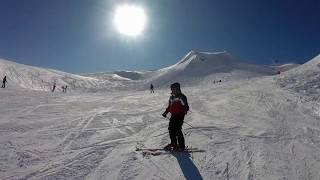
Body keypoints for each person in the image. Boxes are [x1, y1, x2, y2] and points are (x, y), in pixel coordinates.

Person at [162, 82, 189, 151]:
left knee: (177, 129)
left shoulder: (181, 96)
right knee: (171, 129)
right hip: (173, 115)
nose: (172, 90)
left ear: (177, 88)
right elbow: (169, 106)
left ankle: (181, 146)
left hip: (179, 116)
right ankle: (173, 143)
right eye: (172, 89)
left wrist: (183, 111)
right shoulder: (171, 97)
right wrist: (165, 112)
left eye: (173, 89)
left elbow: (186, 106)